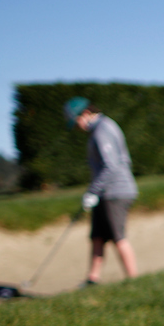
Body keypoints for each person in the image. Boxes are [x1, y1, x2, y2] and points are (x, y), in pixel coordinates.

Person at [63, 97, 139, 285]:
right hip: (105, 193)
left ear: (86, 113)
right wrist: (95, 192)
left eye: (77, 121)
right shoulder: (98, 129)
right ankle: (92, 279)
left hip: (116, 191)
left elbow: (111, 166)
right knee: (97, 236)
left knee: (118, 237)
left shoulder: (102, 130)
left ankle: (135, 280)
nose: (77, 127)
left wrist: (93, 192)